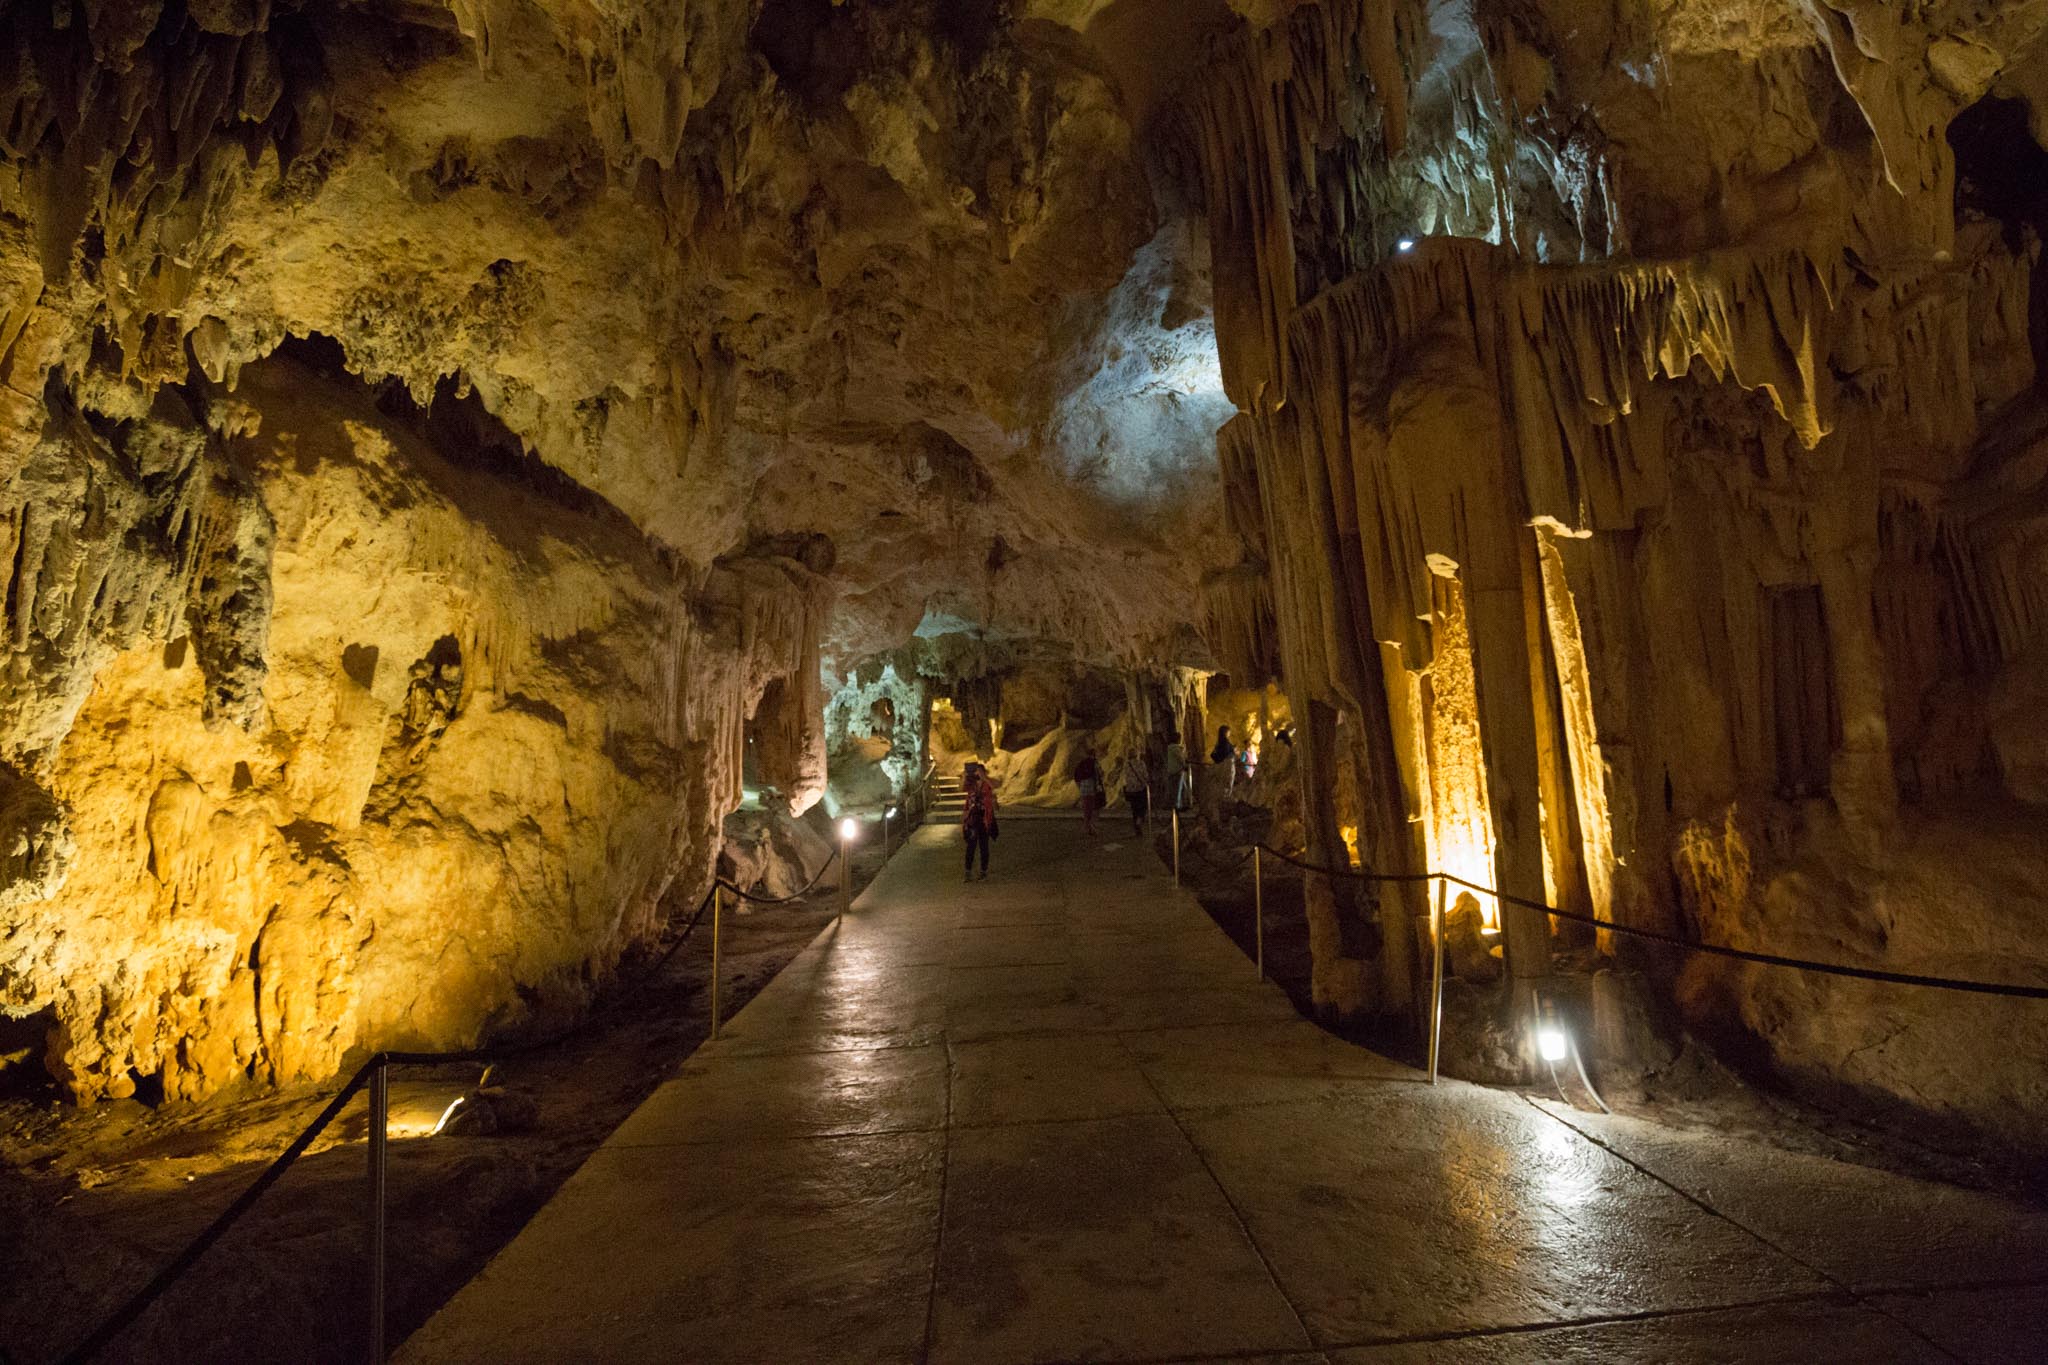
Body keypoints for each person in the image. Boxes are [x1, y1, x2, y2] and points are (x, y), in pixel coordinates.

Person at [961, 762, 999, 881]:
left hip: (984, 819)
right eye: (975, 771)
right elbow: (961, 788)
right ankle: (968, 872)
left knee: (984, 846)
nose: (976, 774)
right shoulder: (971, 784)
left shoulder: (988, 784)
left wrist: (984, 778)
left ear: (983, 772)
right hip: (972, 819)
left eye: (979, 771)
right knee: (971, 846)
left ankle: (983, 872)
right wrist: (964, 775)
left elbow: (995, 787)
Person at [1119, 749, 1151, 837]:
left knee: (1134, 809)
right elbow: (1145, 775)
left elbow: (1125, 777)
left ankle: (1137, 829)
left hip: (1131, 790)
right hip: (1140, 788)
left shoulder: (1126, 765)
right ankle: (1140, 820)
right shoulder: (1141, 763)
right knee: (1143, 806)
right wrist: (1147, 781)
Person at [1072, 747, 1103, 835]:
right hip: (1092, 787)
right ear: (1094, 754)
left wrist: (1079, 785)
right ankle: (1091, 827)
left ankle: (1086, 826)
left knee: (1086, 807)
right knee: (1093, 807)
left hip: (1084, 788)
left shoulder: (1082, 763)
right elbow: (1099, 774)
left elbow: (1076, 775)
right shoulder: (1095, 763)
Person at [1163, 732, 1188, 811]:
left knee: (1172, 789)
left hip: (1171, 771)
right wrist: (1185, 765)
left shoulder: (1168, 748)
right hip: (1178, 771)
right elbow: (1180, 758)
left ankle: (1170, 804)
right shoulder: (1176, 748)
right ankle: (1179, 805)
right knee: (1179, 789)